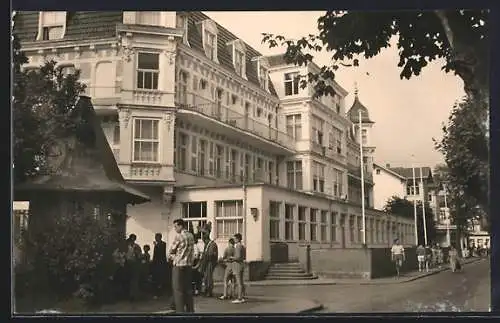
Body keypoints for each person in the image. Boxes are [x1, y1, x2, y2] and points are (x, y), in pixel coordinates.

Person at [168, 219, 195, 313]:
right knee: (188, 289)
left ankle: (180, 311)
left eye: (175, 226)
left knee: (178, 290)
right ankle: (190, 310)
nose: (175, 228)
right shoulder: (191, 235)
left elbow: (171, 250)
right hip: (188, 265)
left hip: (179, 265)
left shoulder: (179, 236)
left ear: (180, 226)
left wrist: (172, 257)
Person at [199, 232, 218, 297]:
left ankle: (209, 291)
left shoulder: (212, 244)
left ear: (206, 239)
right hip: (206, 262)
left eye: (204, 241)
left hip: (210, 262)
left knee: (209, 277)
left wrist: (204, 256)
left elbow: (210, 254)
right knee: (206, 277)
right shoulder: (207, 245)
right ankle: (207, 289)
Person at [125, 234, 142, 301]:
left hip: (134, 264)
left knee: (134, 280)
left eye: (133, 239)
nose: (132, 240)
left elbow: (140, 256)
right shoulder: (126, 246)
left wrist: (137, 252)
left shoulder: (137, 246)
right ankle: (128, 295)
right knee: (128, 280)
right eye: (131, 239)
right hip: (126, 264)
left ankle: (133, 296)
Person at [232, 233, 246, 304]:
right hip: (242, 265)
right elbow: (243, 257)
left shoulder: (238, 246)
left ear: (237, 239)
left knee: (239, 282)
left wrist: (232, 258)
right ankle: (242, 296)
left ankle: (239, 298)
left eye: (234, 238)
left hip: (237, 265)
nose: (234, 240)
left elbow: (237, 257)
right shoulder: (243, 246)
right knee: (241, 282)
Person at [152, 233, 167, 299]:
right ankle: (157, 292)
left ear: (160, 237)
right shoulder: (157, 244)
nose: (156, 238)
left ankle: (159, 292)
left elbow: (161, 253)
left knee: (160, 278)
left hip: (160, 263)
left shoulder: (163, 244)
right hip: (156, 263)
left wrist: (156, 245)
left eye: (157, 237)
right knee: (156, 278)